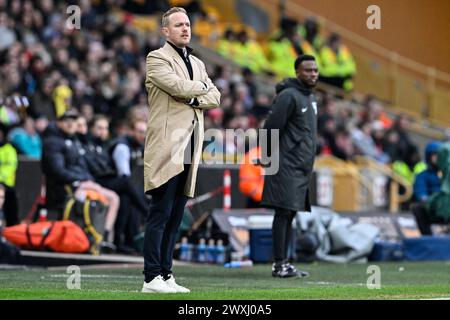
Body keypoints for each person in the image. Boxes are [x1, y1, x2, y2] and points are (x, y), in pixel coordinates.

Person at [142, 7, 220, 293]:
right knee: (160, 212)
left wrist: (192, 95)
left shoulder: (197, 62)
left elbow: (216, 96)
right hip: (167, 144)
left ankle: (166, 273)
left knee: (176, 215)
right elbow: (174, 85)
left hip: (190, 145)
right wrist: (200, 89)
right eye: (178, 25)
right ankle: (151, 277)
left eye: (187, 24)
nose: (185, 29)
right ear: (165, 31)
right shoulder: (156, 58)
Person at [260, 54, 318, 278]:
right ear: (297, 73)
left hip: (302, 166)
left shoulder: (311, 97)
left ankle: (285, 262)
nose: (312, 74)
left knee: (291, 212)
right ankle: (279, 264)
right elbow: (271, 128)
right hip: (286, 163)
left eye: (315, 70)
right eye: (307, 70)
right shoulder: (288, 96)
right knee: (283, 212)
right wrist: (266, 156)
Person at [411, 141, 445, 235]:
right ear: (429, 156)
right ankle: (427, 237)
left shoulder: (447, 174)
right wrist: (433, 202)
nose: (438, 158)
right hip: (433, 208)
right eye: (435, 155)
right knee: (417, 208)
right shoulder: (422, 175)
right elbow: (421, 193)